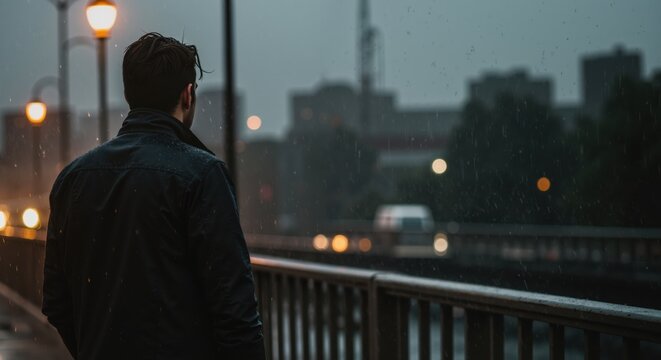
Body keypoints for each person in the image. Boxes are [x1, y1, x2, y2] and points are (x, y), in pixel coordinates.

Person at [42, 32, 265, 359]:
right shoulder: (202, 175)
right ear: (188, 96)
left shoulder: (73, 179)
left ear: (130, 94)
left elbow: (56, 301)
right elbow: (235, 310)